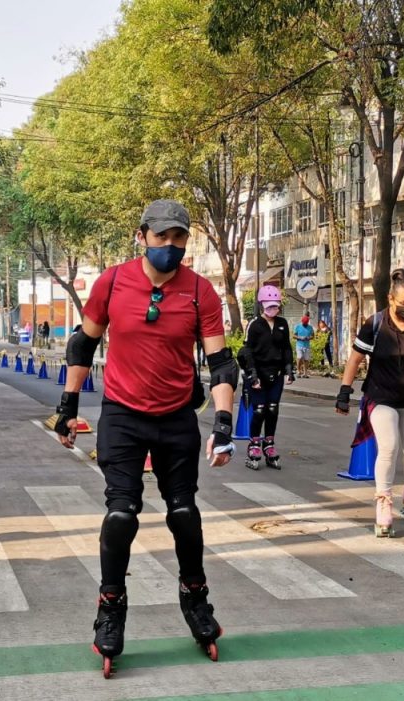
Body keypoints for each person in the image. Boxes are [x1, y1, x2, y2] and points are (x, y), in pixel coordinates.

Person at [53, 199, 237, 674]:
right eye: (163, 237)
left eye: (179, 239)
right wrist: (68, 408)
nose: (171, 247)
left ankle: (195, 600)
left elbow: (220, 363)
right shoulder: (112, 282)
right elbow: (83, 344)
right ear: (142, 236)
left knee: (184, 514)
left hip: (177, 416)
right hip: (122, 415)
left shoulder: (201, 292)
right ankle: (110, 608)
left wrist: (222, 423)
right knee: (121, 514)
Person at [335, 268, 404, 537]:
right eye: (403, 303)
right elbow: (355, 359)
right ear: (390, 299)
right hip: (381, 395)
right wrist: (344, 391)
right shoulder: (375, 324)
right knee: (389, 447)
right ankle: (384, 502)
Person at [237, 286, 295, 470]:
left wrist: (288, 370)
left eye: (276, 307)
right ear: (262, 305)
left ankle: (269, 444)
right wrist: (252, 375)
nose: (273, 310)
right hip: (258, 374)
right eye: (269, 307)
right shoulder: (254, 324)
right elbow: (246, 350)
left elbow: (286, 347)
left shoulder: (282, 323)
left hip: (275, 374)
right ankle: (254, 444)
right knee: (260, 410)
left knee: (272, 409)